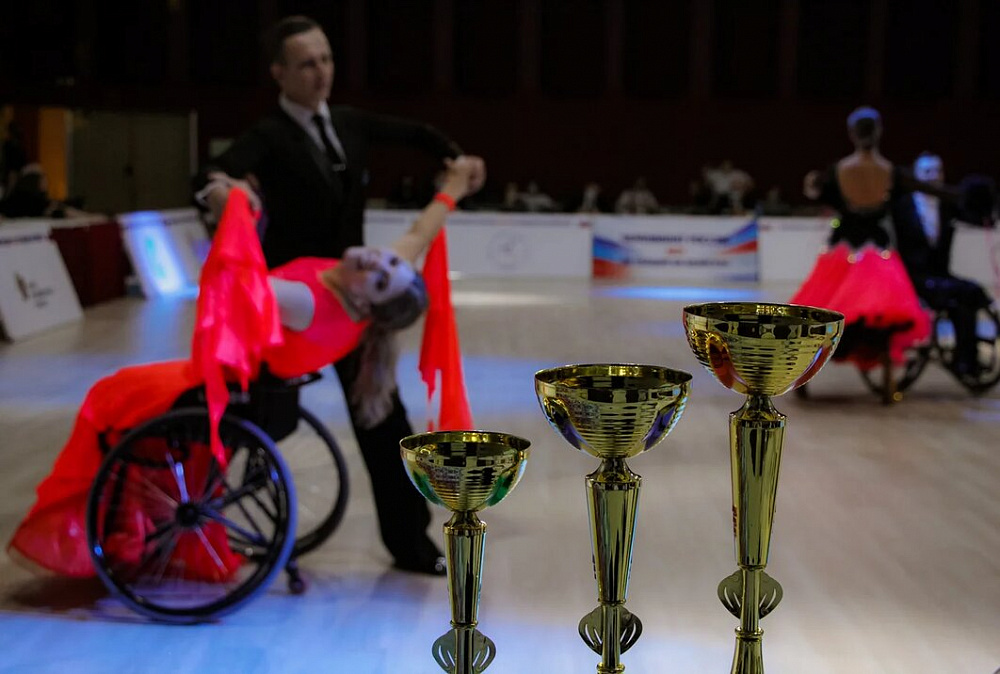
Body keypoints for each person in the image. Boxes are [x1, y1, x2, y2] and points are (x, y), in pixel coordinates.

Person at [7, 155, 485, 580]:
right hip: (259, 391)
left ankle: (110, 524)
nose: (378, 261)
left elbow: (239, 280)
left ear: (366, 304)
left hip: (226, 384)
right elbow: (419, 233)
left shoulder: (309, 303)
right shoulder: (361, 302)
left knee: (110, 394)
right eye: (387, 262)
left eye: (379, 277)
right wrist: (453, 188)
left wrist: (238, 210)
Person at [192, 15, 483, 576]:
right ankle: (208, 513)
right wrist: (219, 190)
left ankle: (411, 542)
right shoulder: (269, 135)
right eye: (307, 64)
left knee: (384, 421)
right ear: (279, 73)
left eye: (325, 59)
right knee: (256, 416)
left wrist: (455, 159)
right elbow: (215, 172)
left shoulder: (348, 122)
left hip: (353, 302)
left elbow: (416, 134)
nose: (321, 72)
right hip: (295, 303)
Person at [891, 152, 995, 378]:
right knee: (965, 292)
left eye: (937, 171)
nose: (933, 176)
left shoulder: (948, 206)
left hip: (941, 275)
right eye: (927, 171)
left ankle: (966, 359)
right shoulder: (901, 207)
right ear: (916, 175)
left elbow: (977, 215)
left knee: (965, 299)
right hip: (913, 278)